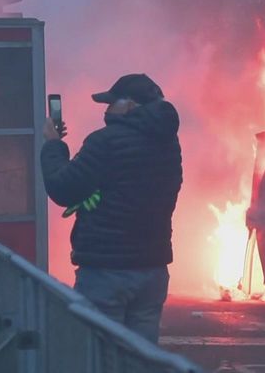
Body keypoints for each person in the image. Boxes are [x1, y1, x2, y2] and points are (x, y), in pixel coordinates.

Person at [41, 74, 182, 344]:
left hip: (106, 271)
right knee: (141, 355)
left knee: (100, 354)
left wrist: (53, 145)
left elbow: (63, 188)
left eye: (112, 102)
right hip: (152, 268)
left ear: (130, 105)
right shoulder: (169, 143)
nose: (107, 109)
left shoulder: (104, 141)